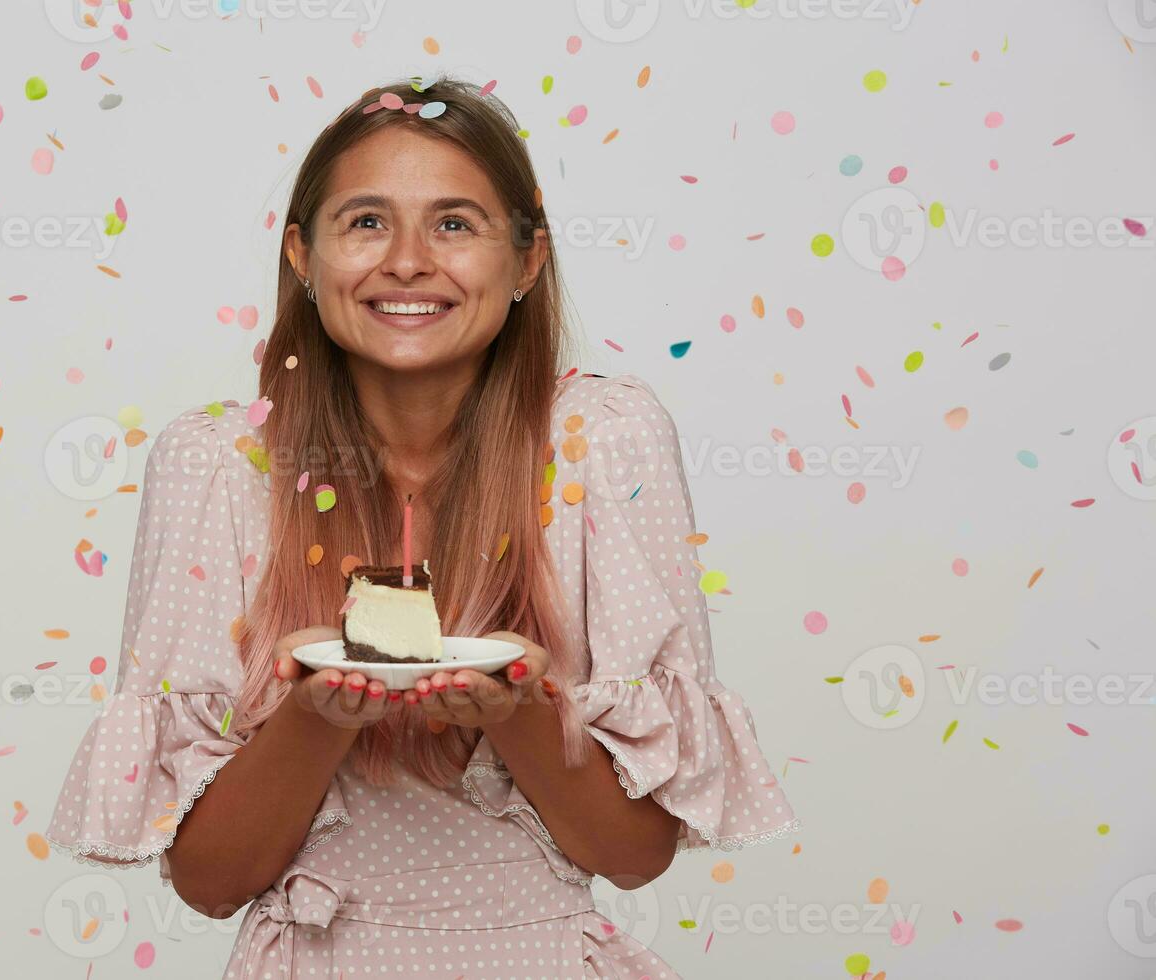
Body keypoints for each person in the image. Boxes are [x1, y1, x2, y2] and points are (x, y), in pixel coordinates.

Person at [46, 75, 798, 979]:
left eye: (454, 223)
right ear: (302, 256)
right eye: (365, 222)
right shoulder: (217, 466)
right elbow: (210, 881)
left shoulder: (604, 443)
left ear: (526, 261)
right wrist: (317, 717)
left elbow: (634, 856)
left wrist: (520, 708)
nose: (407, 261)